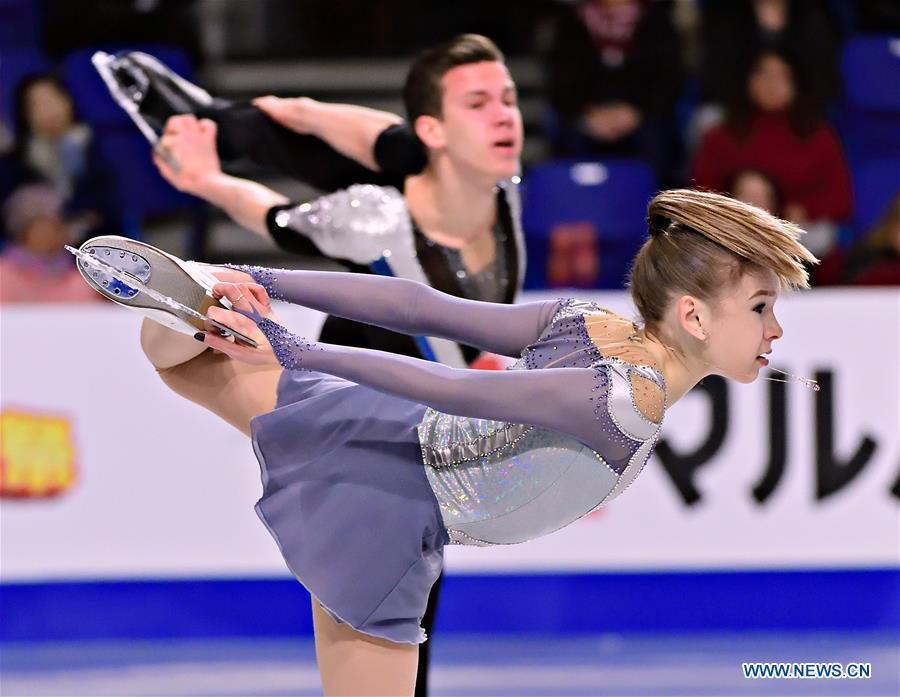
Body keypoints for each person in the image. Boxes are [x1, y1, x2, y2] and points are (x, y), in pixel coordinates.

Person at [74, 187, 817, 695]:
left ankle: (196, 299)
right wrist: (299, 344)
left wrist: (257, 279)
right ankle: (197, 302)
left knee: (193, 359)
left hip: (368, 427)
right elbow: (458, 384)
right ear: (692, 314)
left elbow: (420, 306)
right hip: (387, 505)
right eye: (759, 307)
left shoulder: (595, 326)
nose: (774, 330)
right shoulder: (621, 397)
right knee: (211, 360)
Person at [97, 34, 525, 695]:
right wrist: (204, 178)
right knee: (391, 600)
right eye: (480, 103)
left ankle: (221, 113)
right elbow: (271, 216)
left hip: (423, 430)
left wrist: (304, 110)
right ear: (435, 128)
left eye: (509, 98)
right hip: (349, 430)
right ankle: (196, 276)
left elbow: (382, 136)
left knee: (413, 602)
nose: (505, 115)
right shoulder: (374, 219)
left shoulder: (502, 191)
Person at [691, 47, 852, 257]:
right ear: (748, 80)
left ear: (796, 83)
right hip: (736, 230)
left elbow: (841, 198)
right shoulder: (720, 136)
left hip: (794, 232)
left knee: (822, 235)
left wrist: (805, 210)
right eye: (763, 74)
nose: (771, 83)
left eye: (781, 75)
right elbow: (702, 194)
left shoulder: (819, 136)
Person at [0, 182, 102, 303]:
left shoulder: (79, 282)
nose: (51, 231)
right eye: (42, 224)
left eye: (57, 224)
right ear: (23, 230)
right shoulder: (3, 275)